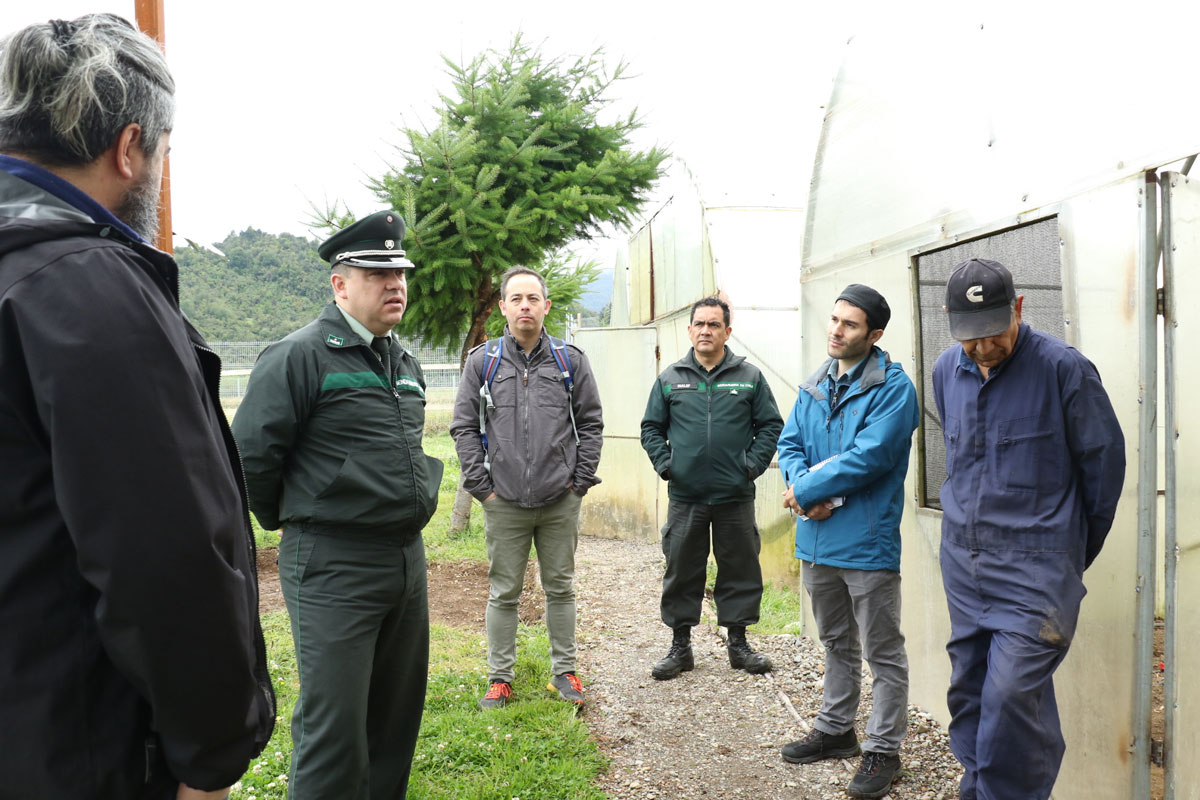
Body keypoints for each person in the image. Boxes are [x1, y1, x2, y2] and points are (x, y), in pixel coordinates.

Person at [0, 14, 274, 800]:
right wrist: (211, 754)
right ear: (130, 149)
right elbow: (164, 554)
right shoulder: (85, 289)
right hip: (81, 748)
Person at [232, 211, 444, 799]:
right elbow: (249, 459)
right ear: (340, 284)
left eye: (399, 272)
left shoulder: (404, 362)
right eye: (377, 273)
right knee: (336, 731)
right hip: (334, 563)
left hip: (406, 561)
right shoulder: (300, 355)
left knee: (394, 725)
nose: (395, 283)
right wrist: (300, 517)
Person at [932, 258, 1125, 800]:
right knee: (969, 691)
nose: (982, 348)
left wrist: (1065, 554)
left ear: (1017, 308)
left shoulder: (1065, 369)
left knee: (1013, 694)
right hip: (965, 564)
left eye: (992, 332)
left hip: (1036, 569)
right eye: (969, 338)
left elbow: (1103, 471)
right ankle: (979, 788)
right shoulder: (947, 369)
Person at [775, 285, 919, 800]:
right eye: (834, 320)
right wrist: (799, 490)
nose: (836, 330)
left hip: (866, 542)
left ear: (875, 334)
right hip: (816, 540)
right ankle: (836, 731)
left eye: (850, 325)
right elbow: (789, 442)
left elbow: (870, 456)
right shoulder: (816, 382)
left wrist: (808, 490)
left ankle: (884, 748)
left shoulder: (894, 388)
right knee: (835, 642)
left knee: (882, 650)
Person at [450, 266, 603, 709]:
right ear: (503, 306)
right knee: (504, 592)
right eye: (516, 299)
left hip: (560, 499)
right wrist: (482, 487)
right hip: (504, 501)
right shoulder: (485, 361)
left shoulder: (569, 360)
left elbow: (591, 423)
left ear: (545, 306)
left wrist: (579, 482)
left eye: (532, 299)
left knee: (561, 588)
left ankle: (565, 674)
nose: (524, 307)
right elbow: (463, 426)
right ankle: (500, 679)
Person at [639, 296, 784, 680]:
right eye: (699, 324)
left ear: (727, 332)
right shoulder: (671, 378)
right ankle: (680, 647)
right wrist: (666, 464)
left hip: (734, 496)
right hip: (685, 496)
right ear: (689, 331)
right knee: (682, 568)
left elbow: (771, 426)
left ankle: (738, 644)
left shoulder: (749, 377)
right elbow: (651, 428)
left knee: (739, 567)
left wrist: (750, 466)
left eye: (714, 325)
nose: (706, 331)